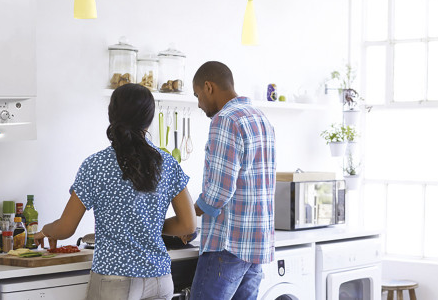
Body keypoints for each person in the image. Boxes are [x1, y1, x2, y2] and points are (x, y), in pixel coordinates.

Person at [31, 83, 196, 300]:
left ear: (112, 115)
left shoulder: (95, 165)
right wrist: (147, 224)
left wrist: (45, 230)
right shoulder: (166, 162)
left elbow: (65, 228)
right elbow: (188, 225)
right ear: (149, 118)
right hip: (159, 278)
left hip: (115, 279)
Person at [188, 61, 276, 300]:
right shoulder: (261, 118)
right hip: (256, 245)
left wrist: (189, 215)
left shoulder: (225, 119)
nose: (198, 104)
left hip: (227, 246)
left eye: (197, 95)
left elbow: (219, 190)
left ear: (208, 87)